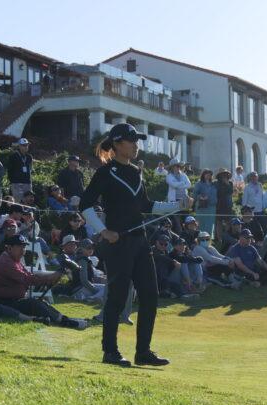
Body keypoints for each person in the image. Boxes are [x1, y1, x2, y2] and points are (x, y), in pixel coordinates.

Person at [80, 123, 189, 367]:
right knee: (117, 298)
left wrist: (177, 205)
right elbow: (85, 205)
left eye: (136, 141)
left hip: (140, 241)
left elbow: (146, 206)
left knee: (150, 295)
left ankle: (143, 352)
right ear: (117, 144)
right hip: (118, 244)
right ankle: (110, 352)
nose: (135, 145)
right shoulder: (105, 173)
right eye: (131, 141)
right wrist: (104, 231)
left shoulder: (136, 172)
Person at [0, 234, 87, 328]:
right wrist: (50, 277)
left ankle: (64, 319)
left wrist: (53, 276)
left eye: (24, 247)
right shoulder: (6, 262)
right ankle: (66, 322)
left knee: (41, 302)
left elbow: (29, 275)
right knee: (34, 304)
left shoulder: (14, 260)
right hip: (6, 303)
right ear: (9, 248)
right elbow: (28, 279)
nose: (23, 250)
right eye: (20, 247)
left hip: (14, 300)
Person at [166, 158, 191, 234]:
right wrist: (183, 183)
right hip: (174, 201)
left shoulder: (184, 175)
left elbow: (189, 185)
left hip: (184, 200)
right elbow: (173, 184)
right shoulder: (169, 176)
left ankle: (187, 235)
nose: (177, 167)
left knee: (186, 220)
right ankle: (179, 237)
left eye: (178, 166)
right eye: (175, 166)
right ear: (172, 167)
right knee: (176, 221)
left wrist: (178, 184)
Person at [192, 169, 217, 236]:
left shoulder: (214, 184)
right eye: (207, 173)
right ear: (203, 174)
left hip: (211, 208)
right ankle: (199, 238)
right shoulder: (199, 184)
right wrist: (200, 197)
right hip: (202, 207)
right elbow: (194, 195)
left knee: (210, 225)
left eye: (210, 174)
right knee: (200, 224)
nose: (208, 175)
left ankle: (209, 240)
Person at [7, 138, 33, 202]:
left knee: (28, 202)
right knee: (18, 202)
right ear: (19, 146)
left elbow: (30, 169)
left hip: (27, 182)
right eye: (24, 145)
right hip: (16, 183)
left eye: (27, 145)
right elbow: (10, 170)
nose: (26, 147)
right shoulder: (13, 156)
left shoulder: (29, 157)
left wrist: (29, 181)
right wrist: (12, 181)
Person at [215, 168, 234, 242]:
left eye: (225, 174)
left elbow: (230, 192)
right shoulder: (216, 183)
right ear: (220, 175)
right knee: (219, 222)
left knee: (228, 222)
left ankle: (226, 236)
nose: (224, 176)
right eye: (223, 174)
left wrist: (227, 183)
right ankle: (219, 238)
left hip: (228, 205)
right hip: (219, 205)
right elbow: (218, 193)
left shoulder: (230, 183)